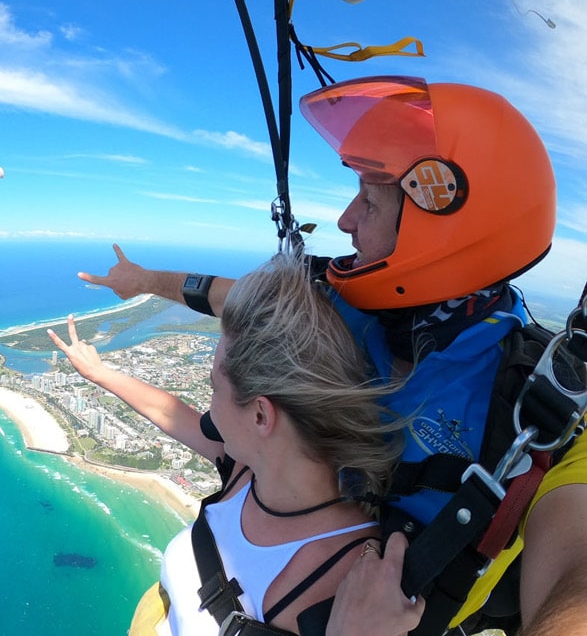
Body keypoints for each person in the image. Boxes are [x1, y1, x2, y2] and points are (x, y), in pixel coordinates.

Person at [77, 76, 585, 635]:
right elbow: (233, 298)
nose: (345, 219)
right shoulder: (345, 305)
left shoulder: (540, 412)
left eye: (370, 199)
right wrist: (145, 280)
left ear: (444, 226)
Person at [50, 254, 413, 635]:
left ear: (260, 416)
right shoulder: (249, 472)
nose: (208, 410)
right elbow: (169, 412)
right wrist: (98, 372)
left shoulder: (349, 574)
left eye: (214, 388)